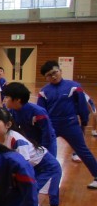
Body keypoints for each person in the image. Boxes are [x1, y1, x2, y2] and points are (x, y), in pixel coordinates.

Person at [37, 60, 97, 189]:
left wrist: (84, 122)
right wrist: (42, 128)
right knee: (44, 152)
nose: (53, 76)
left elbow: (82, 106)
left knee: (83, 151)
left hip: (70, 124)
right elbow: (41, 112)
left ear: (60, 71)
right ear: (46, 78)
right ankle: (42, 179)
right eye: (49, 75)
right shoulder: (43, 92)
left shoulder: (74, 87)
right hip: (51, 125)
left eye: (55, 72)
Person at [3, 82, 57, 158]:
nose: (4, 100)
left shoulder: (38, 113)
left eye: (6, 97)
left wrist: (43, 151)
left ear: (17, 100)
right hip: (30, 142)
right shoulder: (12, 111)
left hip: (45, 144)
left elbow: (47, 133)